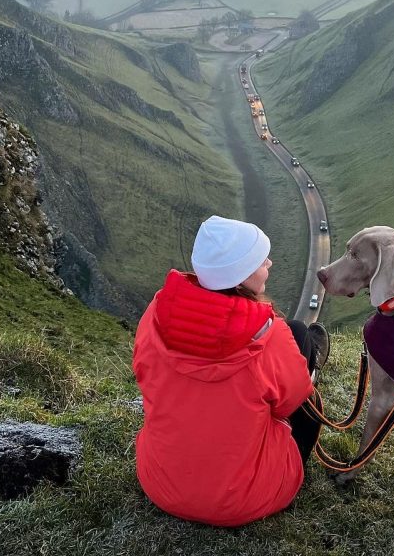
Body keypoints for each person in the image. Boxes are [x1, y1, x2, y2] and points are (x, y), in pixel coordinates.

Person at [133, 215, 330, 527]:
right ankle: (310, 362)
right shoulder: (269, 335)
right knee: (301, 354)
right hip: (242, 500)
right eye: (258, 260)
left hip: (161, 485)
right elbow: (292, 403)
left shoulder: (156, 313)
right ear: (239, 279)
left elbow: (143, 372)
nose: (270, 262)